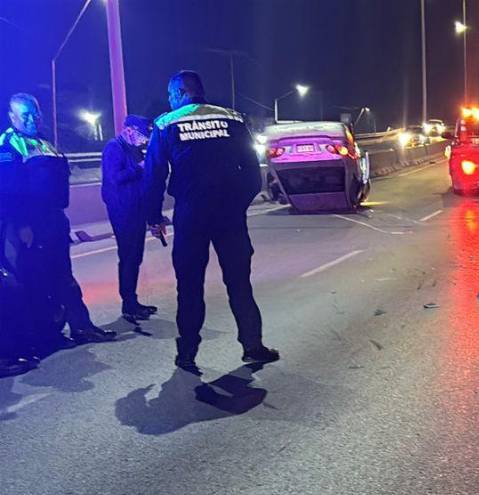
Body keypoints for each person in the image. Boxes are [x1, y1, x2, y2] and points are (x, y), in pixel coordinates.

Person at [143, 70, 277, 372]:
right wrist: (237, 204)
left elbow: (153, 176)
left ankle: (188, 352)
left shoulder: (166, 124)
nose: (169, 101)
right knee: (240, 282)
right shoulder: (232, 117)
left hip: (191, 214)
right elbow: (254, 174)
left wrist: (153, 216)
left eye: (170, 96)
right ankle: (253, 346)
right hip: (229, 214)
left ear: (178, 93)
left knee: (189, 285)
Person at [0, 93, 115, 349]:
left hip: (54, 218)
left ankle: (81, 326)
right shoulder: (9, 145)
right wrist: (22, 226)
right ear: (12, 117)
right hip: (31, 222)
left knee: (63, 274)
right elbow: (8, 190)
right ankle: (47, 335)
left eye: (35, 113)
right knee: (39, 279)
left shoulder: (44, 142)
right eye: (25, 115)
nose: (32, 119)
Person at [102, 114, 157, 322]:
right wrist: (139, 168)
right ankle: (128, 304)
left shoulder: (133, 148)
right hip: (122, 210)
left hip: (136, 208)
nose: (144, 140)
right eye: (142, 135)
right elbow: (114, 178)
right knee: (128, 256)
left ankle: (133, 301)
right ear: (130, 130)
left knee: (135, 256)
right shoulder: (114, 148)